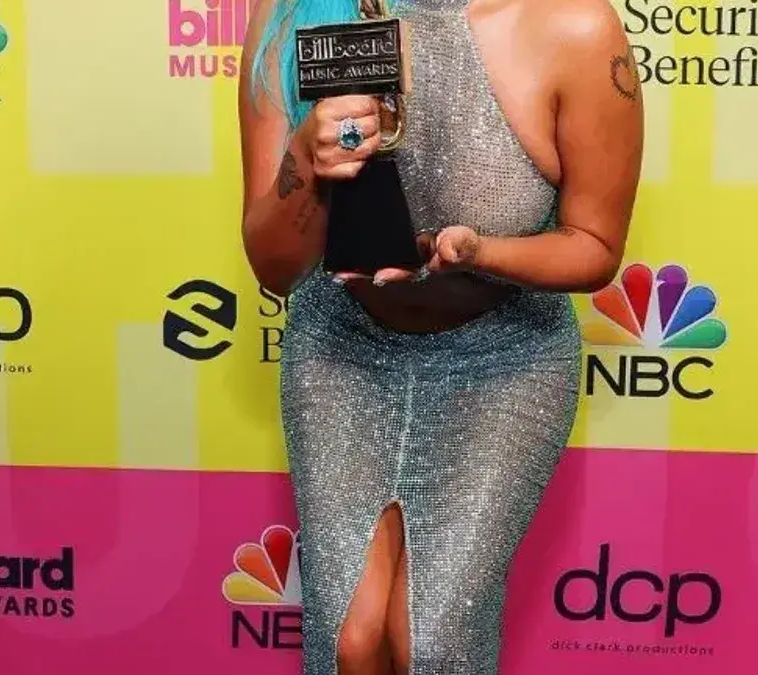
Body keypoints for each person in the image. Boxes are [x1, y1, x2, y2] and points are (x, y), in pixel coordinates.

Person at [238, 0, 643, 669]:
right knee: (349, 641)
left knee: (433, 644)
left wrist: (480, 252)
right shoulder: (297, 14)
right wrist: (307, 161)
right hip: (342, 347)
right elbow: (273, 268)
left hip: (504, 357)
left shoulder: (574, 24)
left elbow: (595, 246)